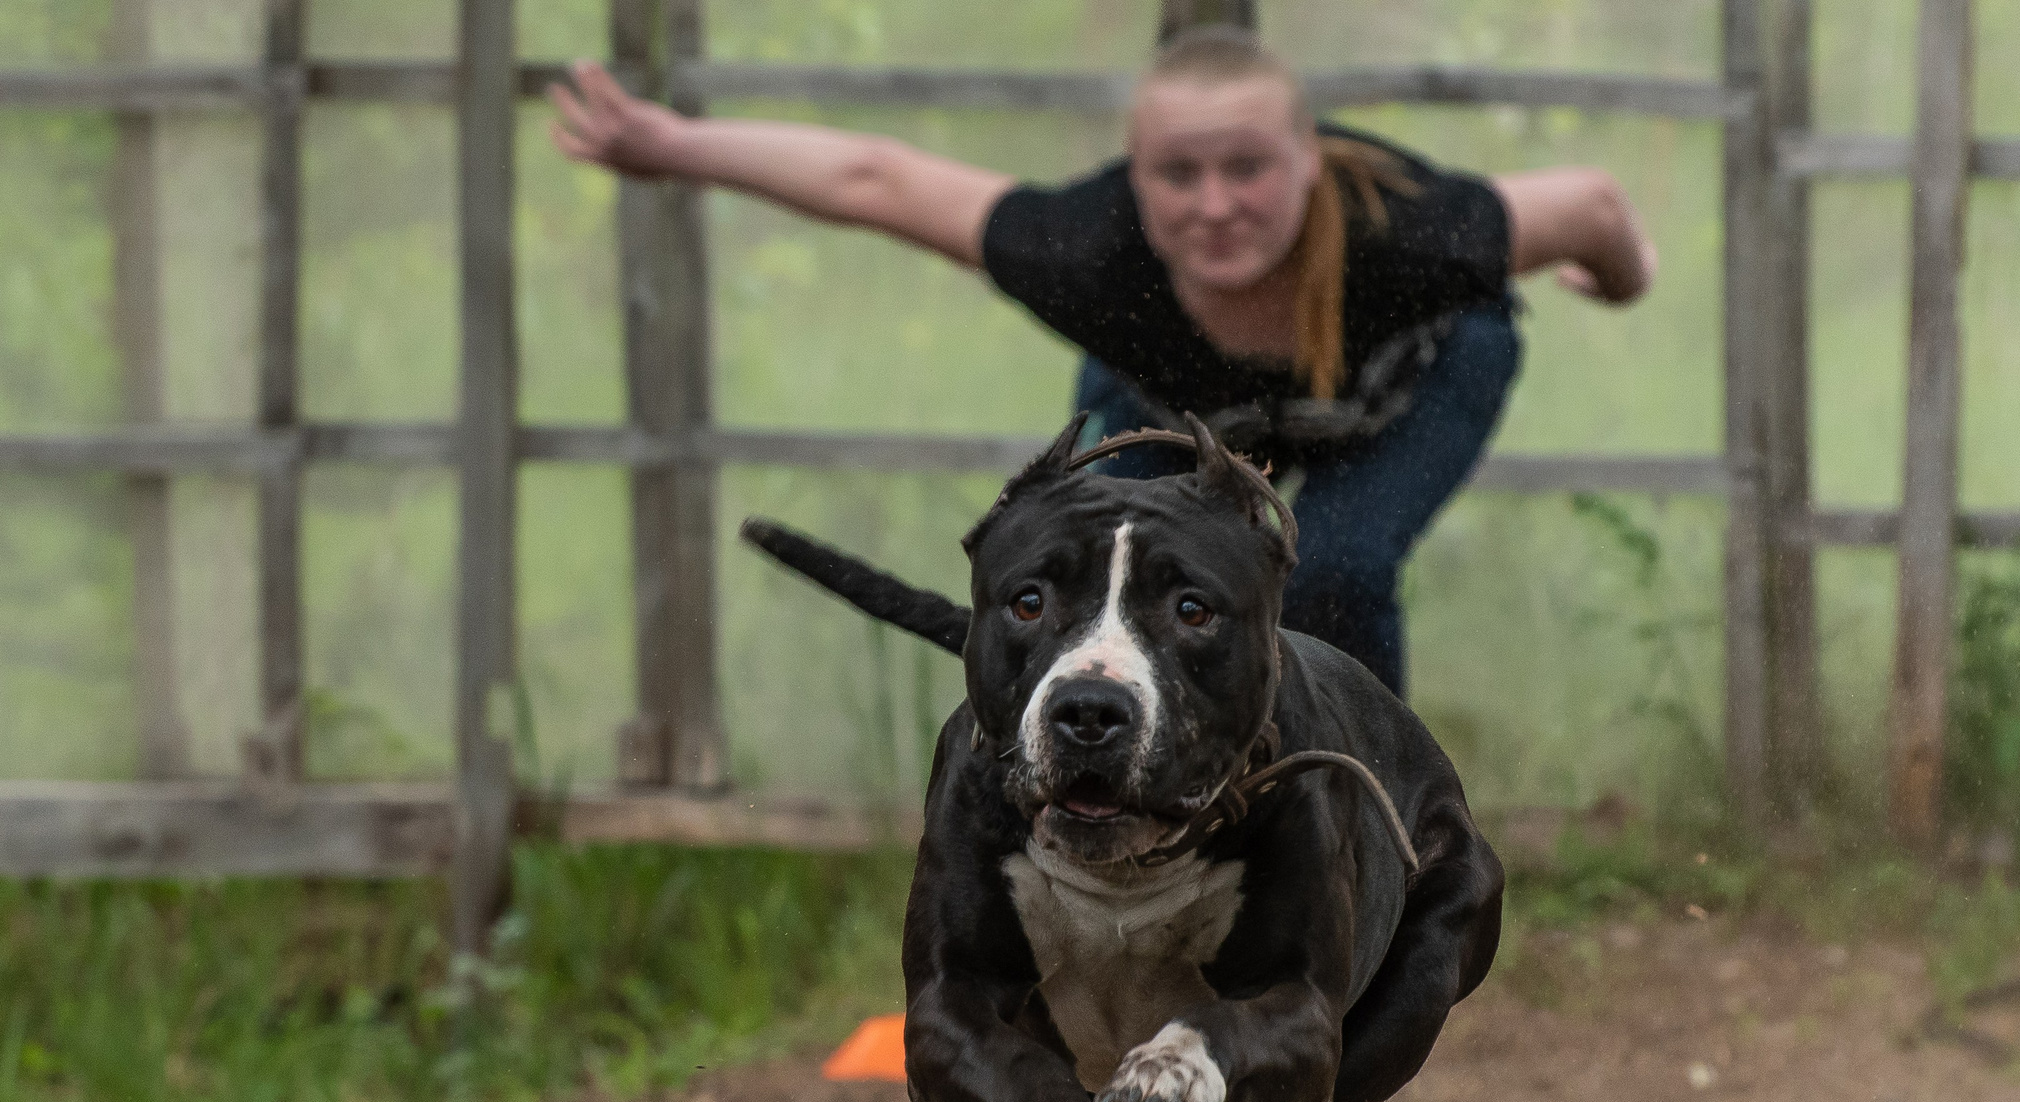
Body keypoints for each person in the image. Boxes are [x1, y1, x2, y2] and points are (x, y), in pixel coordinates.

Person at [550, 27, 1654, 697]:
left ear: (1307, 162)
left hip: (1407, 388)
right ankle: (1133, 809)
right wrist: (670, 146)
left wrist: (1619, 282)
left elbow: (1596, 207)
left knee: (1335, 570)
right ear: (1134, 174)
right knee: (1095, 575)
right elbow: (874, 178)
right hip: (1176, 401)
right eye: (1179, 174)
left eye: (1247, 169)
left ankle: (1370, 828)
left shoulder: (1410, 232)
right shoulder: (1083, 249)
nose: (1214, 205)